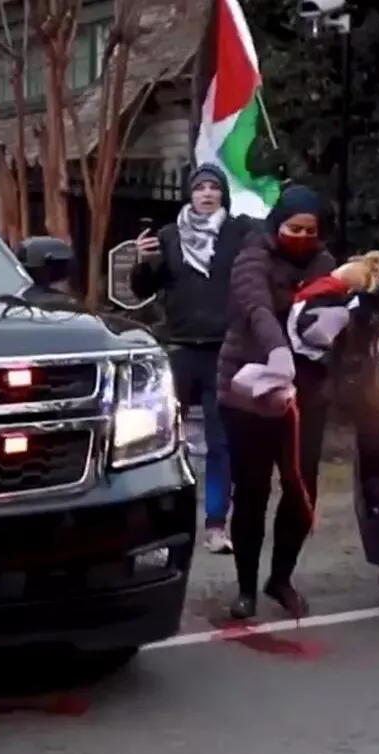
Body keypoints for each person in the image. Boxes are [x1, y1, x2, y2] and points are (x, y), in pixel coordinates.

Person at [217, 185, 335, 621]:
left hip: (305, 394)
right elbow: (256, 308)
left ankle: (280, 578)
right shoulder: (253, 257)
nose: (301, 236)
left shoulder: (326, 265)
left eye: (310, 230)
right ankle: (246, 587)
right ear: (277, 224)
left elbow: (337, 306)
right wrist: (277, 350)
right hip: (250, 391)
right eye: (293, 228)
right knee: (251, 491)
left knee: (302, 488)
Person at [130, 164, 250, 555]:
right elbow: (144, 289)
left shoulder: (237, 233)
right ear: (190, 194)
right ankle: (162, 530)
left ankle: (216, 525)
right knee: (164, 442)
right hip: (180, 348)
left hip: (223, 350)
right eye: (200, 188)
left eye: (215, 187)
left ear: (223, 195)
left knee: (221, 443)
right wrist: (143, 262)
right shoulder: (169, 236)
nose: (207, 194)